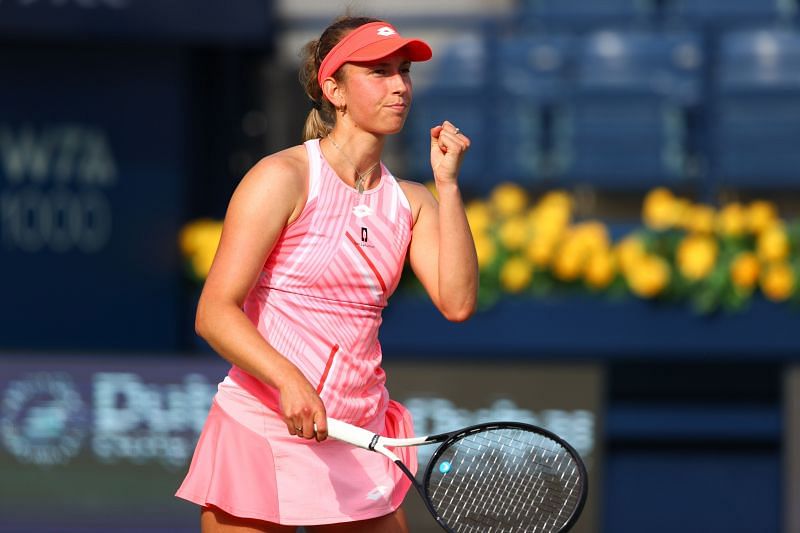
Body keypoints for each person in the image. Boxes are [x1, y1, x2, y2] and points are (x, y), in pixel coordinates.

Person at [176, 15, 478, 533]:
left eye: (403, 71)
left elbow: (457, 302)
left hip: (357, 437)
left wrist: (447, 186)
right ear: (333, 89)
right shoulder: (281, 178)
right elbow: (214, 313)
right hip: (262, 427)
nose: (400, 86)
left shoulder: (414, 201)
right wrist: (289, 380)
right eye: (379, 72)